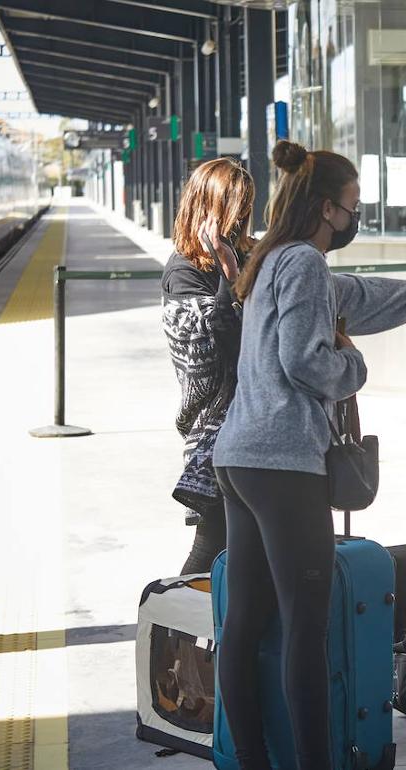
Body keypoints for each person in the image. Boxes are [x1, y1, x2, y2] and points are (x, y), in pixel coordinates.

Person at [212, 140, 406, 770]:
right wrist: (354, 366)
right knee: (307, 626)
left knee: (243, 625)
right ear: (328, 208)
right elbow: (306, 362)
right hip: (282, 463)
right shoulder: (302, 263)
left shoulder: (273, 259)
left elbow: (359, 296)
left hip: (239, 458)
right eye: (353, 205)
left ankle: (249, 760)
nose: (357, 216)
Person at [161, 158, 254, 574]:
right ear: (209, 209)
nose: (241, 223)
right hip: (215, 431)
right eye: (237, 210)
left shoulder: (250, 253)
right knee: (213, 544)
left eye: (247, 209)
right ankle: (176, 632)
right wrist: (229, 272)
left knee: (246, 546)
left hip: (260, 420)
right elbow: (225, 349)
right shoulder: (183, 271)